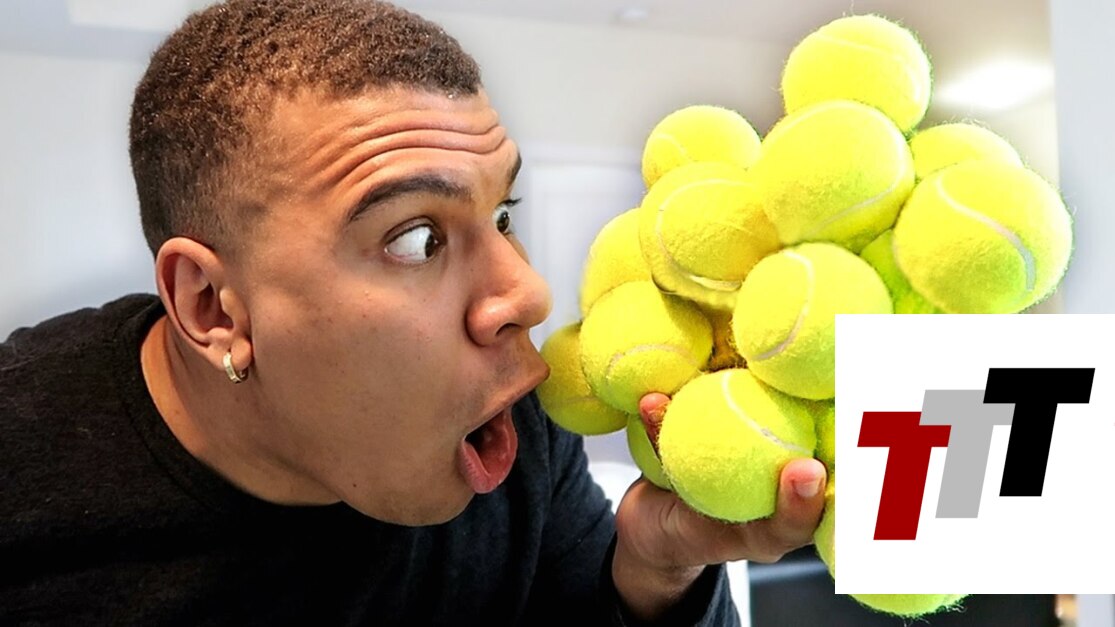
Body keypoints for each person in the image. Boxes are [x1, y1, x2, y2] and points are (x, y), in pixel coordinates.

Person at [0, 1, 828, 624]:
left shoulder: (510, 428)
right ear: (213, 307)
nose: (527, 295)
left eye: (502, 214)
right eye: (416, 238)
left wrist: (656, 572)